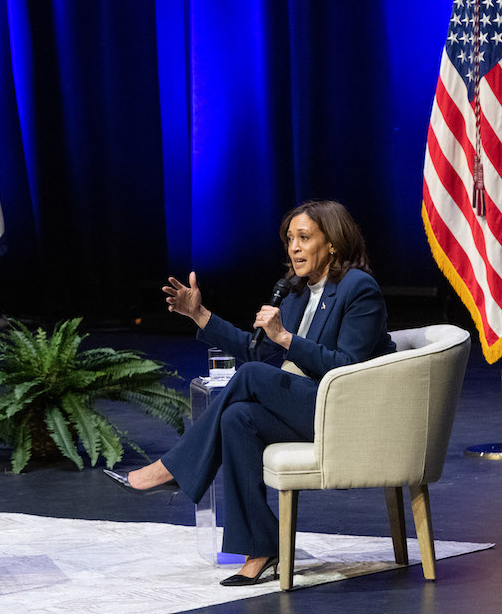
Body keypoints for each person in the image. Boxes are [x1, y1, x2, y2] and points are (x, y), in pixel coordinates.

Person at [110, 200, 394, 585]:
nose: (293, 248)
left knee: (252, 376)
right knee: (236, 418)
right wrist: (200, 315)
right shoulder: (296, 293)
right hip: (306, 405)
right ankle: (261, 547)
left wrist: (286, 338)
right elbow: (257, 348)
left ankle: (172, 468)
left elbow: (346, 365)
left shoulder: (359, 289)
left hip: (343, 409)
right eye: (289, 239)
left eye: (304, 238)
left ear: (333, 244)